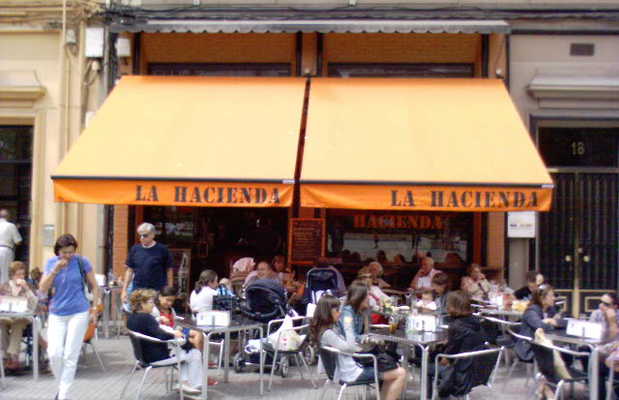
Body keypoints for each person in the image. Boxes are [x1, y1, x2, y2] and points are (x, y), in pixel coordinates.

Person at [39, 234, 100, 400]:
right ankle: (61, 386)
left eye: (71, 252)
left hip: (79, 311)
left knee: (70, 355)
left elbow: (94, 286)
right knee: (54, 353)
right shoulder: (51, 263)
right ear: (57, 251)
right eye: (64, 252)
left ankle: (63, 395)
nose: (68, 255)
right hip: (57, 312)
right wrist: (55, 270)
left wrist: (94, 308)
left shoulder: (82, 262)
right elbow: (42, 289)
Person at [310, 294, 406, 400]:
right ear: (327, 312)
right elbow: (350, 347)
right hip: (350, 373)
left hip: (346, 369)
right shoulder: (328, 333)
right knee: (400, 373)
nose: (340, 312)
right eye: (337, 310)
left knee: (390, 368)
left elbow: (348, 346)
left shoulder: (327, 330)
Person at [127, 289, 210, 394]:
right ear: (142, 304)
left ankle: (184, 383)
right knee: (194, 353)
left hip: (142, 356)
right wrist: (174, 334)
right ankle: (195, 387)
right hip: (156, 357)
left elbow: (151, 331)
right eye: (151, 302)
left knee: (185, 352)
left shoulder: (131, 318)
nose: (153, 305)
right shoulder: (147, 318)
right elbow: (160, 335)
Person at [429, 290, 489, 399]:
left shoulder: (456, 326)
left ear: (452, 306)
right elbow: (469, 342)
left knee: (427, 367)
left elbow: (446, 359)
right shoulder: (477, 322)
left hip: (460, 373)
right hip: (478, 370)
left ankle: (431, 397)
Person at [121, 223, 173, 305]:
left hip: (156, 290)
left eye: (145, 235)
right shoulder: (135, 249)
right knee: (137, 314)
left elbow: (169, 270)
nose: (141, 238)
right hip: (138, 290)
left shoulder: (162, 250)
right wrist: (124, 290)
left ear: (152, 235)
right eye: (140, 235)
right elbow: (129, 271)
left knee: (156, 316)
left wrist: (169, 290)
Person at [0, 261, 38, 370]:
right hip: (8, 316)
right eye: (18, 274)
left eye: (23, 274)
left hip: (23, 316)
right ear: (12, 275)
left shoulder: (28, 285)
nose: (21, 277)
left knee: (18, 323)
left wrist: (26, 289)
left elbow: (34, 304)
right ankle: (7, 358)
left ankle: (14, 357)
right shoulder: (5, 286)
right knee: (1, 323)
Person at [514, 284, 565, 363]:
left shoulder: (551, 309)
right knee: (560, 354)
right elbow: (540, 326)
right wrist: (552, 322)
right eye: (551, 296)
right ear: (542, 298)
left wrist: (552, 321)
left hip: (546, 343)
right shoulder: (531, 311)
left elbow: (563, 322)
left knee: (566, 352)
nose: (554, 298)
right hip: (529, 347)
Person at [0, 209, 22, 284]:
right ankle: (3, 291)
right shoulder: (11, 226)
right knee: (5, 272)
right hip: (6, 250)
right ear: (8, 217)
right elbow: (18, 241)